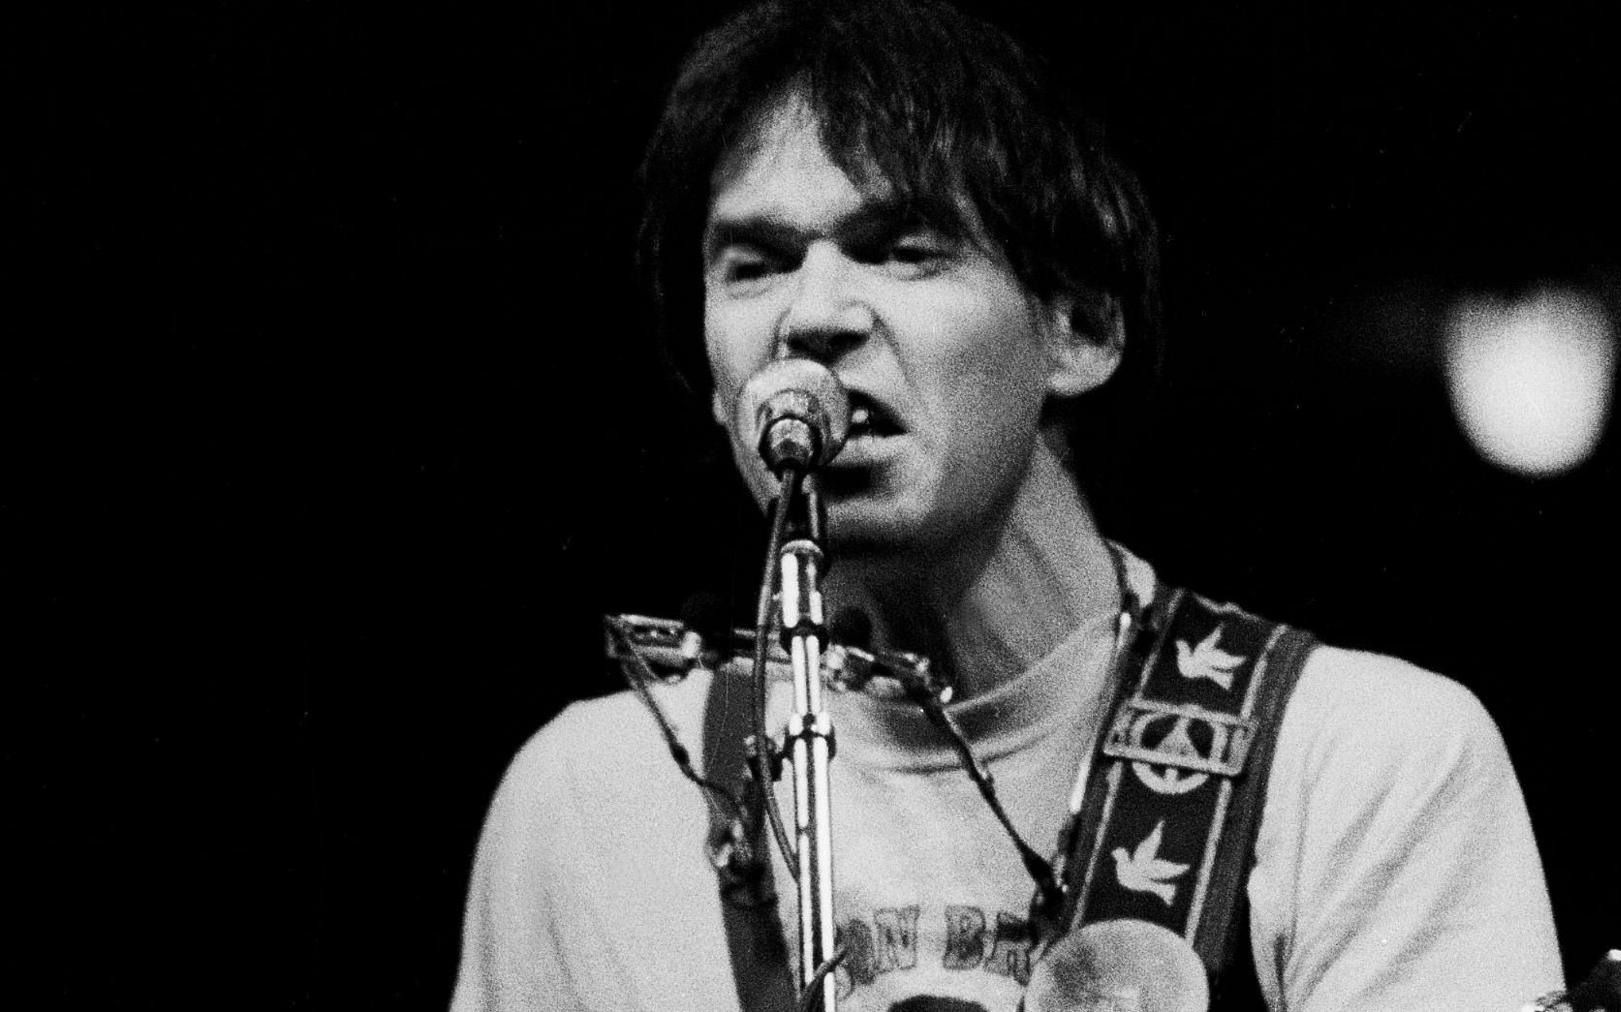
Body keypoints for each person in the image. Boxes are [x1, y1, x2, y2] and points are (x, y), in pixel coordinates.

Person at [451, 1, 1562, 1010]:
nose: (814, 315)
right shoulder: (594, 801)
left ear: (1079, 328)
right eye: (755, 263)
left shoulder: (1361, 760)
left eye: (903, 250)